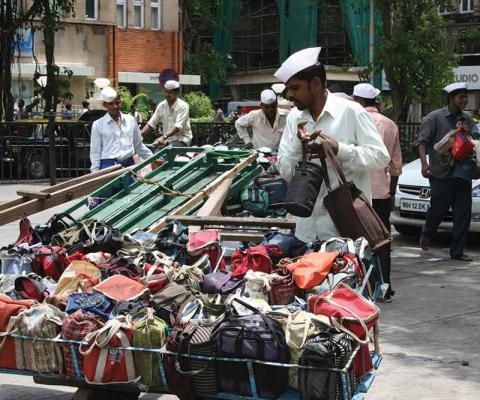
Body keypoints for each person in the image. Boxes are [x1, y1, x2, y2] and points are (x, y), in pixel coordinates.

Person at [275, 47, 390, 244]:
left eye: (295, 88)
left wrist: (339, 149)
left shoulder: (352, 112)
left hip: (345, 232)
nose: (290, 95)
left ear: (316, 84)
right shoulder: (295, 117)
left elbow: (380, 157)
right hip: (307, 231)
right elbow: (285, 170)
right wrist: (298, 145)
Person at [352, 82, 403, 302]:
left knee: (355, 243)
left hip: (356, 194)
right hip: (381, 194)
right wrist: (391, 192)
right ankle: (385, 288)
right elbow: (396, 165)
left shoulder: (353, 120)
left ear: (358, 101)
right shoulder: (390, 124)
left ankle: (361, 289)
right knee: (382, 242)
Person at [417, 82, 474, 261]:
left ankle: (457, 251)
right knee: (437, 211)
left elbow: (472, 144)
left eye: (466, 97)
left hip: (463, 174)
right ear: (451, 99)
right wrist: (424, 164)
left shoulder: (467, 120)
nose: (464, 101)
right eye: (461, 97)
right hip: (441, 174)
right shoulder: (435, 117)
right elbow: (422, 142)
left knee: (463, 214)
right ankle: (427, 233)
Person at [90, 86, 152, 173]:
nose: (115, 106)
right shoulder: (98, 124)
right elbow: (95, 152)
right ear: (105, 105)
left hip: (128, 166)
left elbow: (138, 145)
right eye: (111, 104)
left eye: (117, 103)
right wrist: (95, 173)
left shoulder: (130, 120)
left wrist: (153, 158)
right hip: (107, 166)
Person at [141, 80, 192, 147]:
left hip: (181, 139)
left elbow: (177, 127)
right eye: (166, 91)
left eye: (170, 92)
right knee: (152, 155)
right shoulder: (161, 105)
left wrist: (163, 137)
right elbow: (151, 124)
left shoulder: (183, 106)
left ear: (177, 93)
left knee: (166, 154)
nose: (167, 94)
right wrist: (139, 134)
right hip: (167, 140)